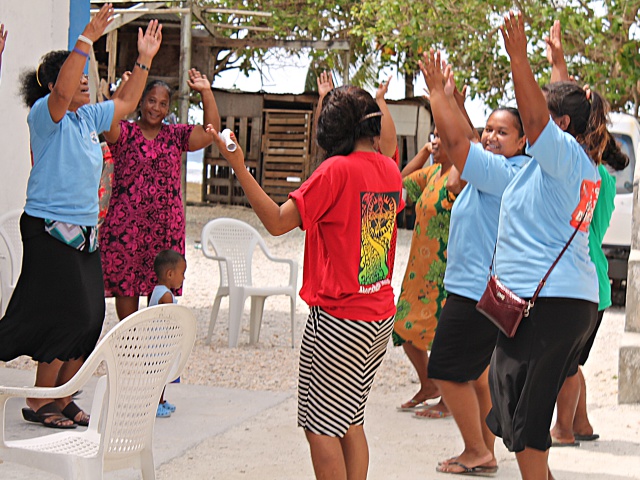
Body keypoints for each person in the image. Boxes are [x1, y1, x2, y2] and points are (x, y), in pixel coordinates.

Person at [206, 85, 404, 480]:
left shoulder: (334, 171)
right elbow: (390, 140)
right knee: (350, 419)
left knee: (321, 426)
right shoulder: (388, 168)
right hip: (378, 314)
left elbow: (278, 223)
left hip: (339, 320)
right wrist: (331, 101)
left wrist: (239, 166)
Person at [0, 3, 162, 429]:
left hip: (85, 232)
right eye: (78, 74)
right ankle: (40, 401)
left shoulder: (88, 118)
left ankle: (61, 396)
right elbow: (59, 92)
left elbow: (126, 101)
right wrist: (86, 38)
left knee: (90, 320)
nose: (86, 79)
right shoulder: (46, 117)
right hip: (49, 230)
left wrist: (144, 58)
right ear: (56, 84)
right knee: (61, 316)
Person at [486, 12, 612, 479]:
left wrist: (519, 57)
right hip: (559, 301)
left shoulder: (562, 155)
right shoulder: (570, 159)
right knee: (517, 409)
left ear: (559, 125)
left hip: (550, 304)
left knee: (526, 420)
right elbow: (562, 110)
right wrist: (557, 65)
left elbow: (543, 118)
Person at [420, 51, 529, 475]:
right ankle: (485, 452)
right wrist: (454, 101)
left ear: (522, 142)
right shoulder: (497, 169)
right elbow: (467, 140)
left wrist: (435, 95)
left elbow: (456, 144)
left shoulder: (505, 173)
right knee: (477, 376)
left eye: (503, 132)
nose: (491, 137)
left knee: (445, 370)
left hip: (476, 291)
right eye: (489, 129)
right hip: (480, 288)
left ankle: (475, 450)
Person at [545, 20, 629, 447]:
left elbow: (565, 128)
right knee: (574, 361)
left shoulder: (581, 171)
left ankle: (563, 428)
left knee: (566, 365)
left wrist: (558, 68)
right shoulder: (604, 175)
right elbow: (572, 115)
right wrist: (559, 66)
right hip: (595, 281)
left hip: (582, 279)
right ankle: (581, 423)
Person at [100, 68, 220, 320]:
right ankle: (129, 345)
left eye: (163, 104)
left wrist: (206, 92)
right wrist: (125, 88)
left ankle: (155, 351)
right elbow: (107, 120)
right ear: (141, 102)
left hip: (165, 226)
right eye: (151, 101)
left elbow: (210, 132)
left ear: (169, 109)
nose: (156, 108)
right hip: (127, 226)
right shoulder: (125, 132)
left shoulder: (175, 135)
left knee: (162, 289)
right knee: (127, 285)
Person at [393, 128, 461, 419]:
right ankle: (428, 384)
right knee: (404, 325)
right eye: (433, 136)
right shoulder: (432, 174)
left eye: (441, 138)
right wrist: (423, 152)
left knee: (444, 337)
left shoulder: (459, 178)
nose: (436, 142)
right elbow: (396, 182)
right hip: (420, 268)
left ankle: (449, 398)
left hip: (446, 267)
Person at [316, 71, 399, 165]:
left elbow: (389, 146)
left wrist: (380, 99)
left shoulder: (381, 160)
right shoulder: (336, 162)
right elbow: (323, 133)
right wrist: (325, 98)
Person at [148, 249, 187, 418]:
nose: (183, 278)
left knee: (162, 376)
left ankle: (161, 401)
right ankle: (154, 404)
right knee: (159, 376)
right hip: (160, 344)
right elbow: (170, 318)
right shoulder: (166, 295)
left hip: (157, 342)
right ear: (170, 274)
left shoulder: (157, 291)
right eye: (182, 273)